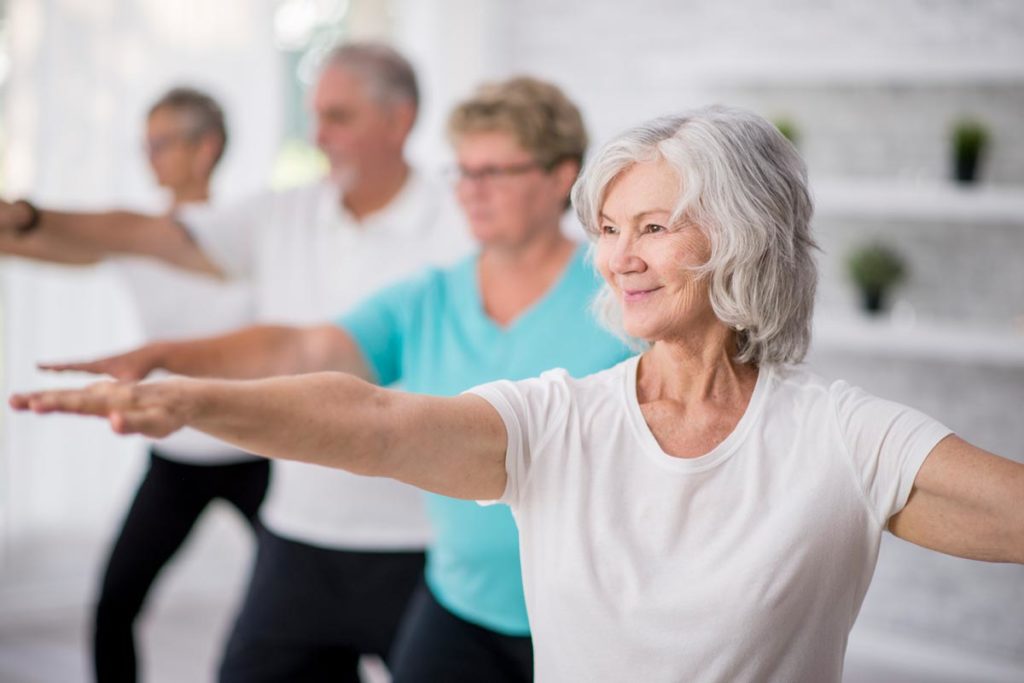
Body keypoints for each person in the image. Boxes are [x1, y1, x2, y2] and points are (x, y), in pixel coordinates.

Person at [13, 105, 1023, 683]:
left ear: (744, 235)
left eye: (655, 226)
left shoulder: (840, 436)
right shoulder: (558, 419)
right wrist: (195, 398)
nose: (621, 257)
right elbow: (370, 418)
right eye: (610, 228)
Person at [33, 77, 634, 682]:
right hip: (461, 606)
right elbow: (303, 345)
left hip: (587, 615)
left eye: (495, 173)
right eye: (463, 172)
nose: (472, 192)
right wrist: (166, 360)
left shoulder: (621, 300)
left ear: (560, 177)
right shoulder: (429, 297)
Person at [3, 43, 469, 681]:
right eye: (315, 115)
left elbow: (309, 348)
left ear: (399, 120)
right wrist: (30, 218)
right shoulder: (283, 212)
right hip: (298, 533)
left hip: (419, 541)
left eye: (338, 117)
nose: (318, 135)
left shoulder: (462, 221)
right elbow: (146, 234)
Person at [0, 86, 269, 683]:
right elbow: (38, 242)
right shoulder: (130, 238)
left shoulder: (245, 228)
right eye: (145, 143)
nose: (150, 156)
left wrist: (24, 212)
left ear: (207, 149)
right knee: (115, 605)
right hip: (177, 451)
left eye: (163, 142)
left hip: (257, 451)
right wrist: (16, 224)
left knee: (303, 604)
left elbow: (135, 232)